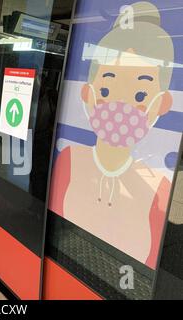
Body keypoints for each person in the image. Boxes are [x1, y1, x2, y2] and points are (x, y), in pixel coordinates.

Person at [49, 2, 174, 269]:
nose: (121, 107)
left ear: (161, 104)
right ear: (88, 93)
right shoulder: (70, 160)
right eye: (106, 91)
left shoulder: (159, 189)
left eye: (140, 95)